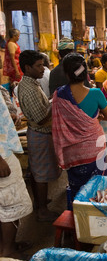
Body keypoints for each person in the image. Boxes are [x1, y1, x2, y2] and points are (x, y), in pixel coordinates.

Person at [52, 53, 107, 202]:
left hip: (73, 152)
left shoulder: (59, 95)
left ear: (67, 74)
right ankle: (96, 215)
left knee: (77, 188)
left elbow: (60, 122)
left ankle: (78, 216)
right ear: (86, 73)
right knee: (98, 187)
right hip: (95, 149)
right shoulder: (95, 94)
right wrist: (95, 118)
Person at [17, 50, 60, 222]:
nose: (43, 69)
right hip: (40, 134)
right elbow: (42, 118)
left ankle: (39, 202)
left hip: (39, 134)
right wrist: (54, 101)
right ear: (27, 68)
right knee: (41, 174)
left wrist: (48, 101)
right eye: (39, 66)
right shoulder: (29, 89)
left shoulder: (31, 84)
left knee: (37, 172)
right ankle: (42, 209)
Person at [0, 90, 33, 257]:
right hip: (1, 155)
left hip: (3, 148)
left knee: (4, 205)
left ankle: (6, 245)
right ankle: (8, 251)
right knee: (10, 205)